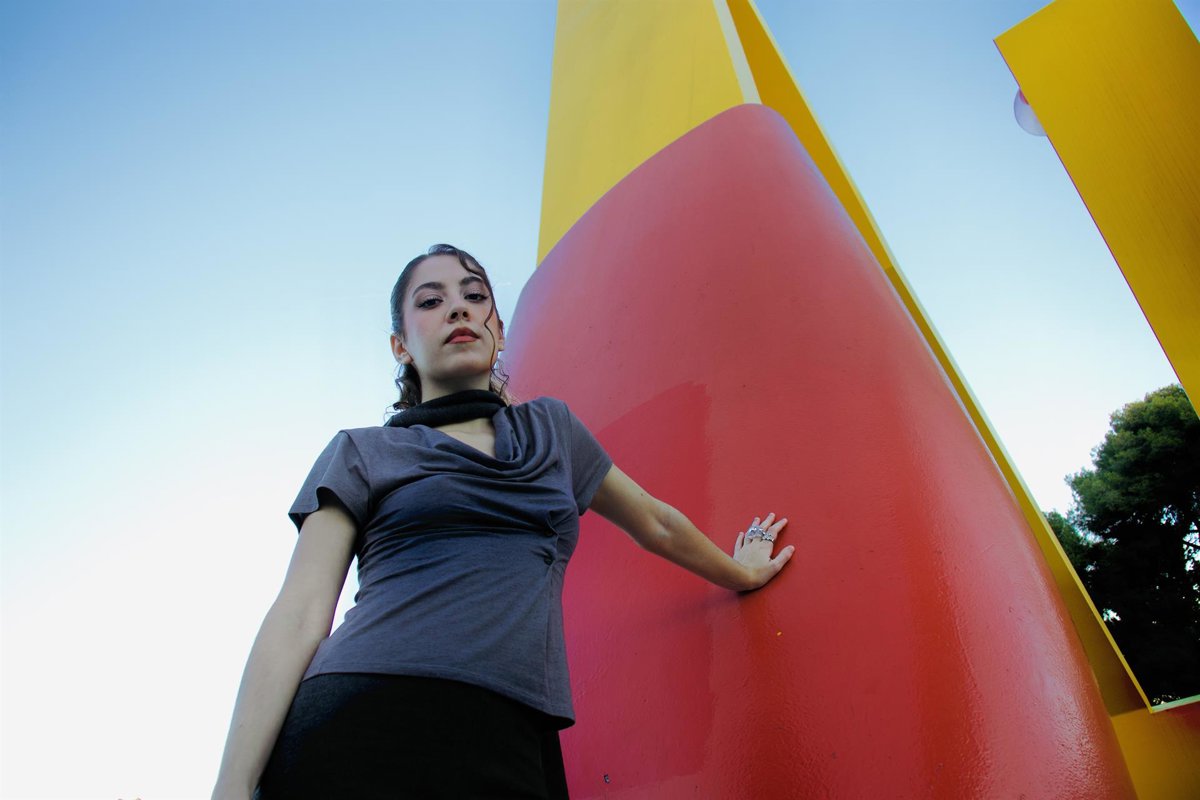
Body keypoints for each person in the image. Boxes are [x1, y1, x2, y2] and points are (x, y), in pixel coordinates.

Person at [211, 244, 794, 799]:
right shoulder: (360, 452)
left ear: (499, 330)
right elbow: (299, 613)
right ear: (400, 346)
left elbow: (655, 523)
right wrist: (232, 785)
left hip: (514, 731)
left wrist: (740, 572)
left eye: (475, 295)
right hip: (357, 722)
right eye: (431, 301)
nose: (458, 308)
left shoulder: (551, 431)